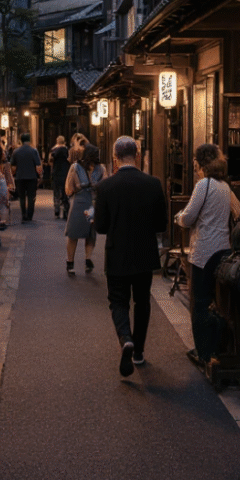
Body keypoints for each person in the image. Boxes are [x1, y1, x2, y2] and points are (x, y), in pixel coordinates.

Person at [94, 136, 168, 377]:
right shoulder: (153, 184)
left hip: (117, 253)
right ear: (137, 155)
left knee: (118, 301)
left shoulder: (105, 187)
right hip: (144, 253)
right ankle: (139, 351)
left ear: (115, 157)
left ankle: (126, 338)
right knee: (142, 301)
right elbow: (161, 224)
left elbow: (101, 227)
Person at [174, 143, 239, 370]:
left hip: (203, 251)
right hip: (223, 249)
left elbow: (189, 216)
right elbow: (236, 213)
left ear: (199, 163)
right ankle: (215, 347)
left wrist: (178, 218)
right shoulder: (224, 186)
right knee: (216, 301)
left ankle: (203, 352)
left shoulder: (204, 184)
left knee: (200, 303)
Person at [64, 143, 105, 275]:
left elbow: (68, 188)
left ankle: (70, 263)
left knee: (73, 233)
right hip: (92, 204)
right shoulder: (101, 169)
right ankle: (88, 259)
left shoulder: (75, 167)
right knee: (90, 233)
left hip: (79, 203)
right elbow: (105, 186)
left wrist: (74, 190)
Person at [10, 132, 42, 222]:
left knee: (22, 197)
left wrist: (14, 174)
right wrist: (40, 176)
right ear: (29, 140)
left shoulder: (16, 151)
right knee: (31, 197)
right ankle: (29, 215)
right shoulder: (33, 151)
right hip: (32, 177)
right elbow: (38, 165)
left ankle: (23, 214)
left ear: (21, 140)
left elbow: (13, 166)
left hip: (20, 177)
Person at [49, 135, 71, 219]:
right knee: (65, 193)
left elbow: (50, 161)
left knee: (56, 193)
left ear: (57, 142)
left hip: (56, 173)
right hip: (65, 173)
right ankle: (65, 211)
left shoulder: (53, 150)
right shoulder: (67, 150)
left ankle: (57, 211)